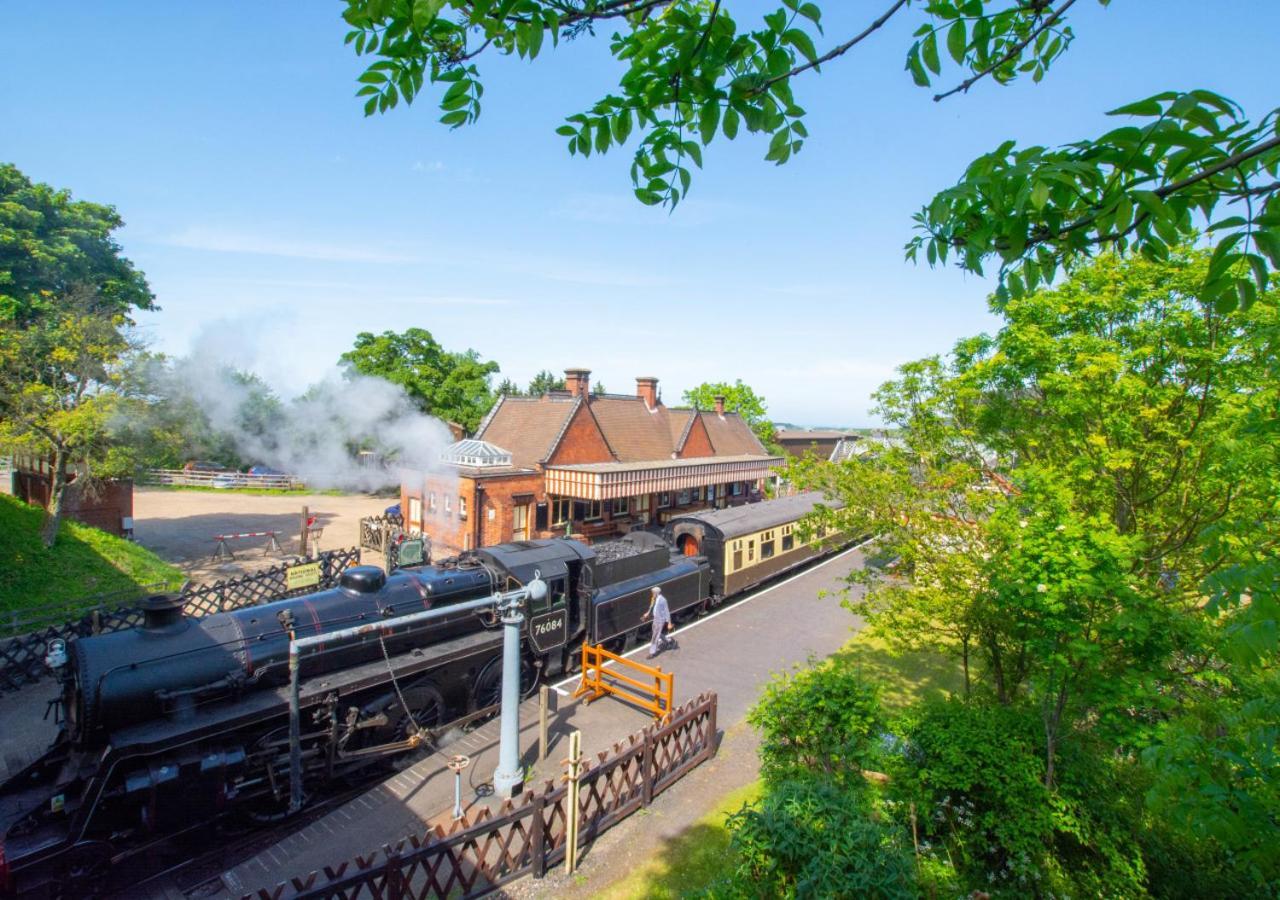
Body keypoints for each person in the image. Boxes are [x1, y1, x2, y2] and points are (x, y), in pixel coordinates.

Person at [642, 585, 673, 659]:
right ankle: (667, 641)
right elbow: (651, 606)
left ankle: (652, 653)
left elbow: (667, 611)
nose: (652, 594)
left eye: (653, 593)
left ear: (656, 593)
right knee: (656, 633)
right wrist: (647, 613)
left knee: (655, 636)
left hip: (660, 619)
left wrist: (669, 622)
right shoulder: (654, 599)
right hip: (655, 618)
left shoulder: (663, 600)